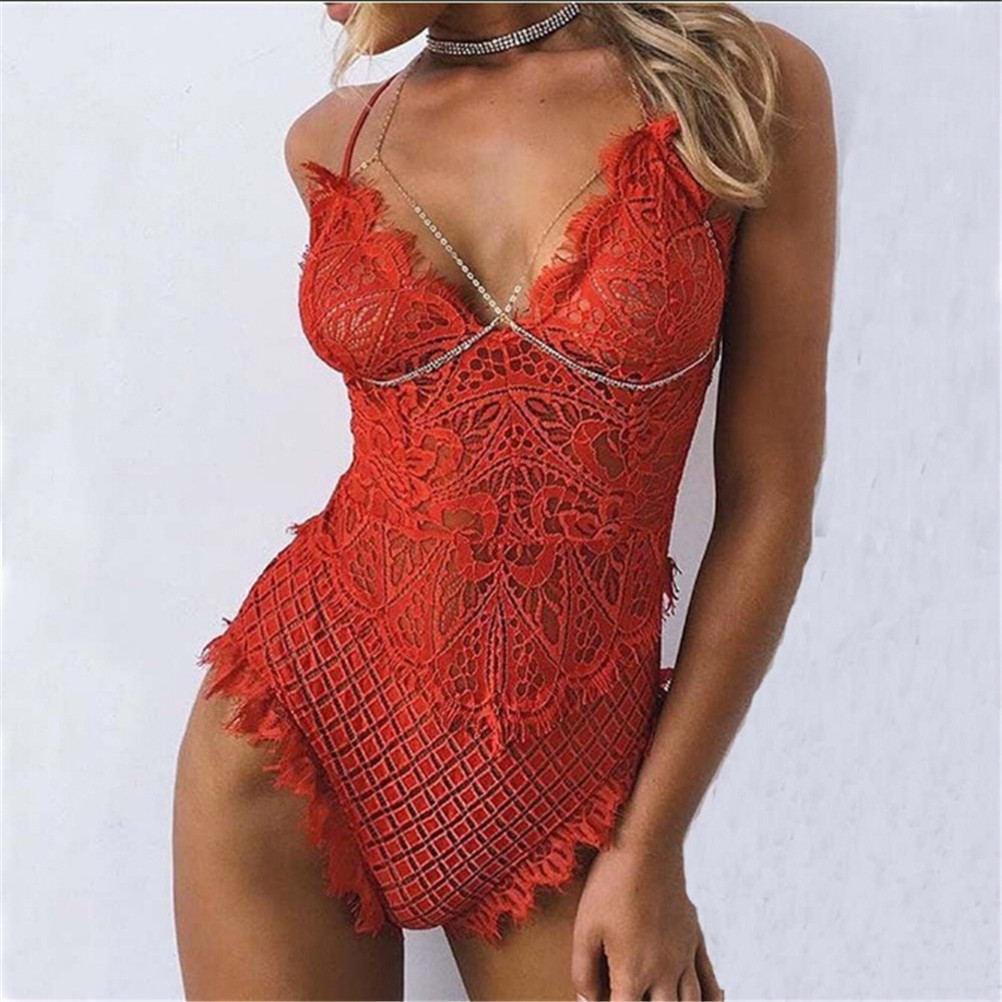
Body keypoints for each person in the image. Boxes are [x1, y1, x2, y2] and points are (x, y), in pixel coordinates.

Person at [173, 3, 836, 1000]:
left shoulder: (741, 88)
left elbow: (771, 495)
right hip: (303, 728)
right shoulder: (334, 140)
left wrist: (651, 843)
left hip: (576, 793)